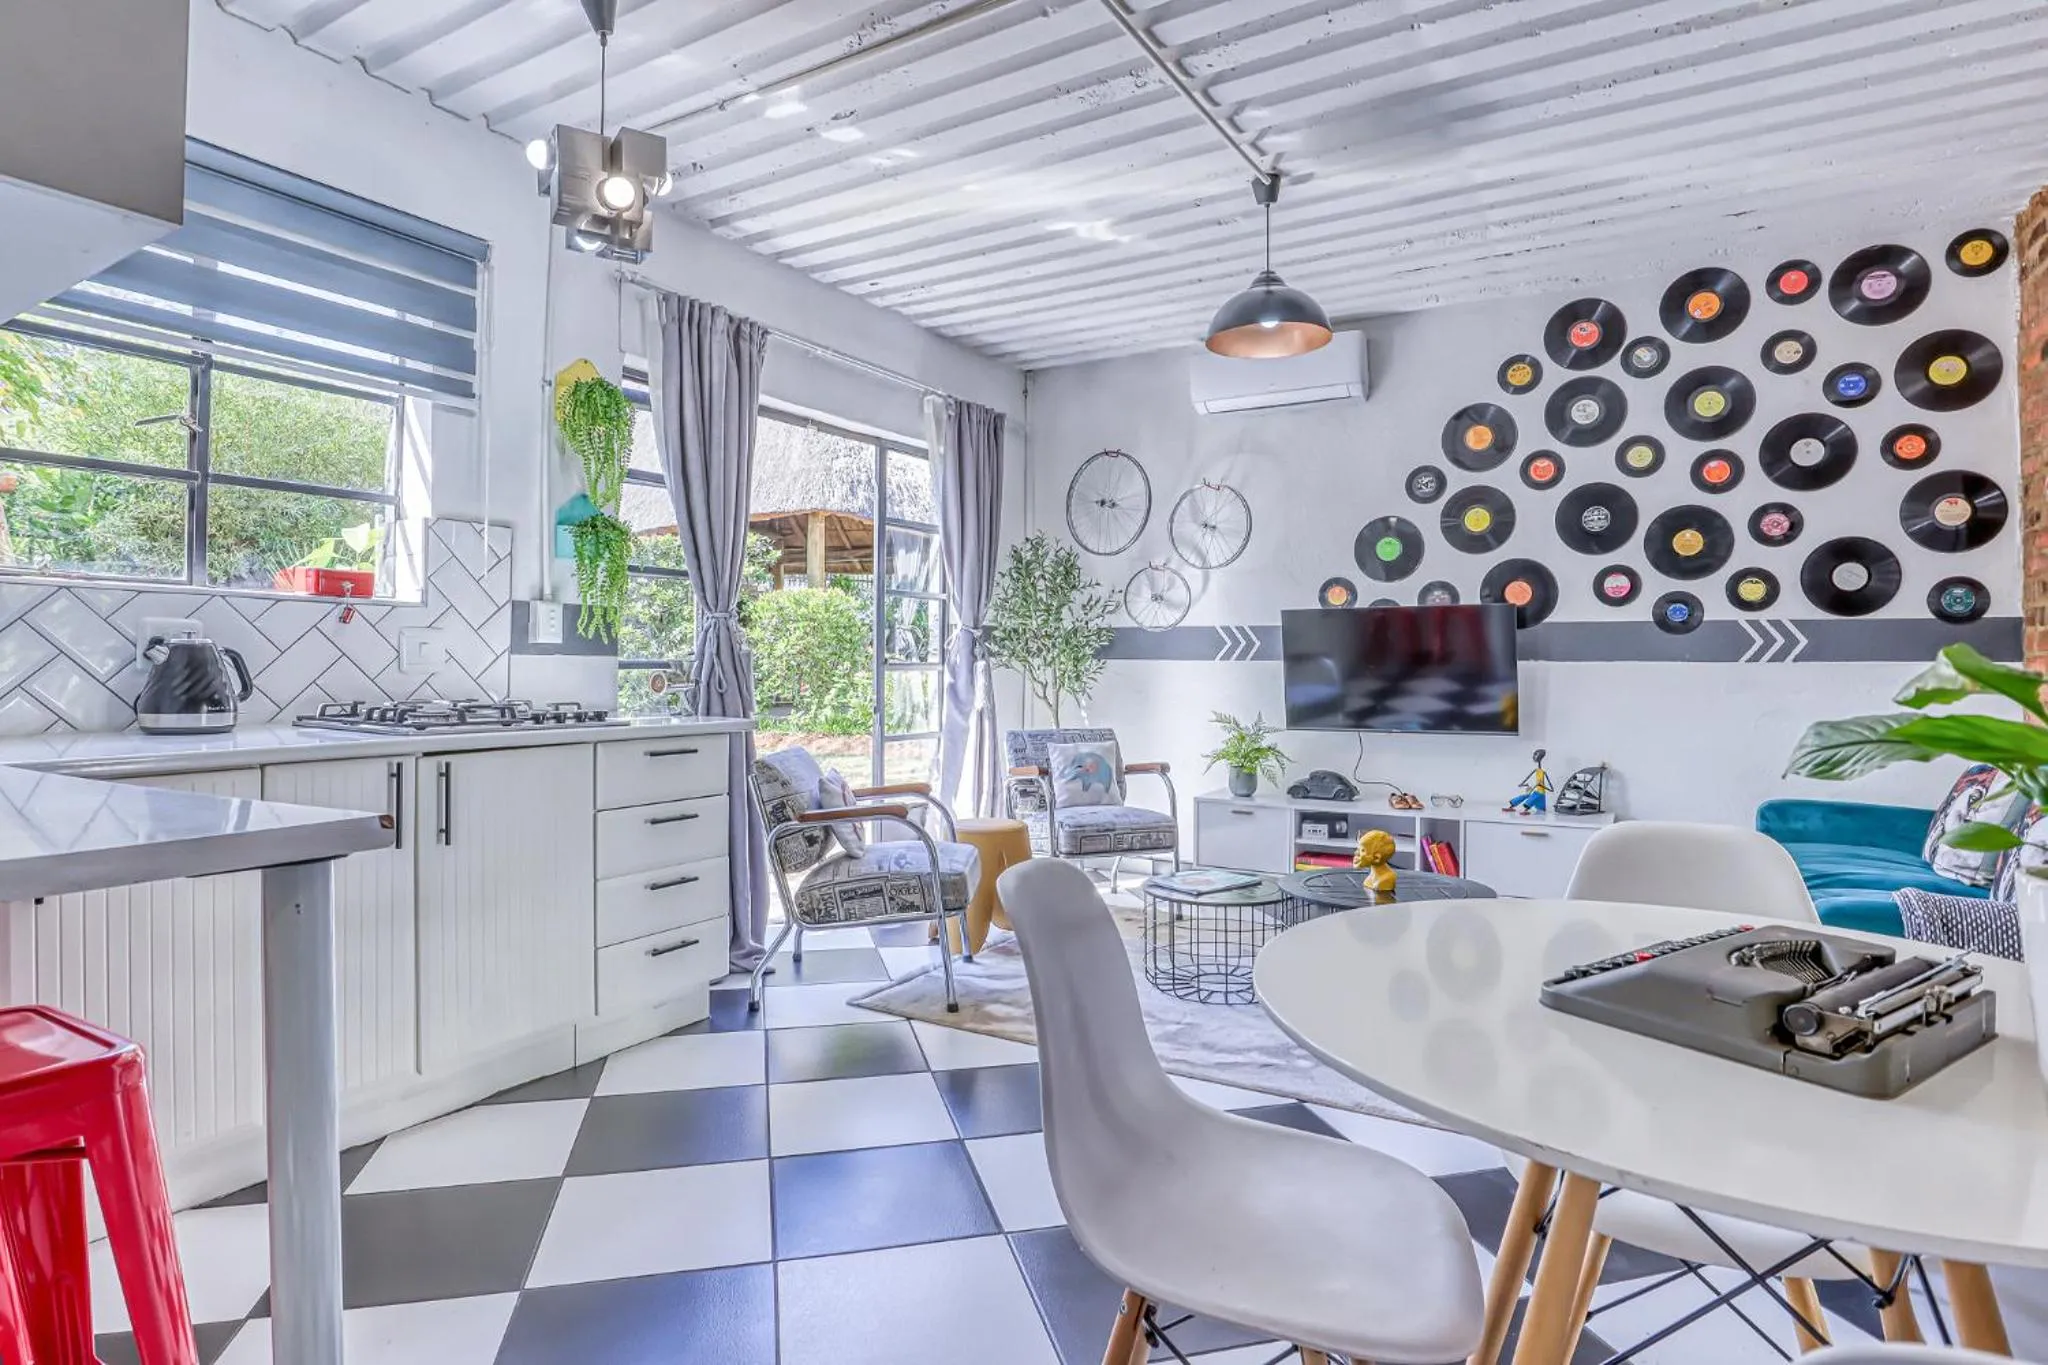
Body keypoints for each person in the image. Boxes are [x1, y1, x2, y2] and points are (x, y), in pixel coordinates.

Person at [1506, 748, 1551, 815]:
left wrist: (1541, 785)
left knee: (1533, 798)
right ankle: (1512, 806)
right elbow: (1528, 777)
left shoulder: (1542, 772)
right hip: (1536, 789)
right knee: (1526, 795)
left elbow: (1551, 788)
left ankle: (1525, 809)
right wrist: (1523, 783)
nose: (1535, 757)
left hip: (1540, 793)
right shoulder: (1536, 770)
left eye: (1536, 755)